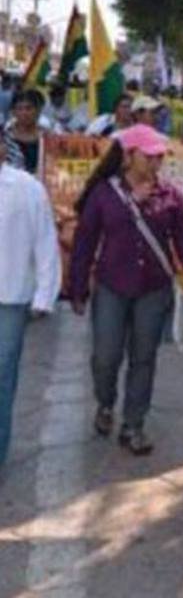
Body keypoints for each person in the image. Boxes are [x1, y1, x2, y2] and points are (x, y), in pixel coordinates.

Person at [69, 125, 183, 455]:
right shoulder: (104, 194)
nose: (157, 162)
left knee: (143, 358)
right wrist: (76, 288)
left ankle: (133, 425)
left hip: (154, 289)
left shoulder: (170, 195)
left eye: (160, 156)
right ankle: (105, 402)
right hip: (111, 287)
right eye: (150, 155)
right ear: (129, 156)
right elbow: (85, 241)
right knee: (106, 355)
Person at [0, 138, 60, 468]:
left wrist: (44, 294)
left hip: (9, 297)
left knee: (2, 378)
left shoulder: (27, 187)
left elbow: (45, 240)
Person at [3, 89, 47, 174]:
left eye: (28, 108)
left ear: (38, 111)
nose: (24, 113)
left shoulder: (47, 137)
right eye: (19, 109)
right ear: (13, 112)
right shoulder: (4, 139)